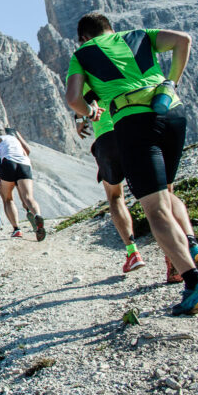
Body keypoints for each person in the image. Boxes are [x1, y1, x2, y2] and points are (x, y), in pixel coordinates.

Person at [65, 12, 198, 316]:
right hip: (172, 113)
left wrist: (89, 112)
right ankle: (192, 244)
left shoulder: (82, 54)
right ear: (110, 29)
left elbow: (73, 98)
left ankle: (195, 285)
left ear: (83, 38)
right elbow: (184, 40)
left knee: (155, 208)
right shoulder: (139, 35)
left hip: (134, 124)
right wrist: (171, 82)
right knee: (168, 193)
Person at [74, 89, 145, 274]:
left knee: (115, 197)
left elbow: (79, 99)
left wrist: (80, 120)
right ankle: (175, 256)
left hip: (107, 137)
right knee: (152, 195)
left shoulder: (83, 73)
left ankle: (133, 252)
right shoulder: (119, 62)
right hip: (135, 128)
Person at [0, 124, 45, 241]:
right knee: (28, 197)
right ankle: (37, 215)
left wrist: (0, 172)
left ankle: (17, 229)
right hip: (24, 163)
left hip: (8, 164)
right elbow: (27, 151)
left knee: (8, 198)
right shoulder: (14, 138)